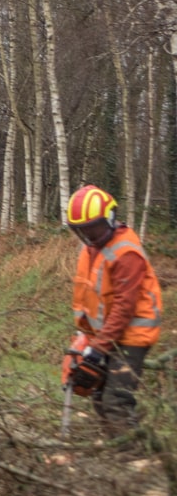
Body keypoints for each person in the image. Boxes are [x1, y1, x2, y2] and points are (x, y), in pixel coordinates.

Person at [64, 184, 162, 434]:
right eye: (83, 231)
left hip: (131, 337)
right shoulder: (91, 250)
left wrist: (98, 348)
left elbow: (123, 307)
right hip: (105, 334)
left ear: (109, 219)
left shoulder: (126, 253)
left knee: (115, 399)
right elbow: (91, 299)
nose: (90, 236)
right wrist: (84, 339)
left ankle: (133, 460)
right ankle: (115, 445)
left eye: (94, 229)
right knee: (97, 391)